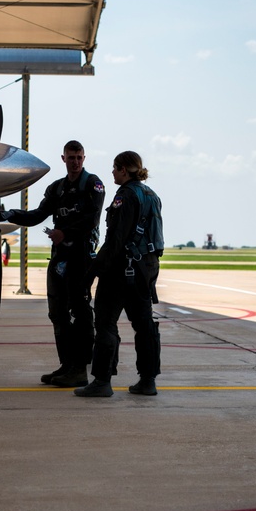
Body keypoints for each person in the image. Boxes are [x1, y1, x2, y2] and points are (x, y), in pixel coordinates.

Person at [0, 140, 105, 387]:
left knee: (80, 311)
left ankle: (80, 368)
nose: (75, 162)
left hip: (82, 259)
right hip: (60, 260)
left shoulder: (93, 184)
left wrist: (65, 233)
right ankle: (66, 365)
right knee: (57, 313)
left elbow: (92, 219)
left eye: (79, 157)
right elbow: (36, 216)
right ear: (63, 159)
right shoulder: (56, 189)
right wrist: (8, 214)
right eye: (71, 157)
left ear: (84, 158)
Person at [75, 151, 163, 398]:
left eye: (115, 168)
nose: (112, 172)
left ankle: (102, 381)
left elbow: (115, 240)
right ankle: (148, 381)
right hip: (146, 270)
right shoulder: (151, 195)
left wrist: (91, 274)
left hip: (121, 271)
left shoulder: (125, 196)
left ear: (124, 169)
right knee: (144, 325)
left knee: (105, 324)